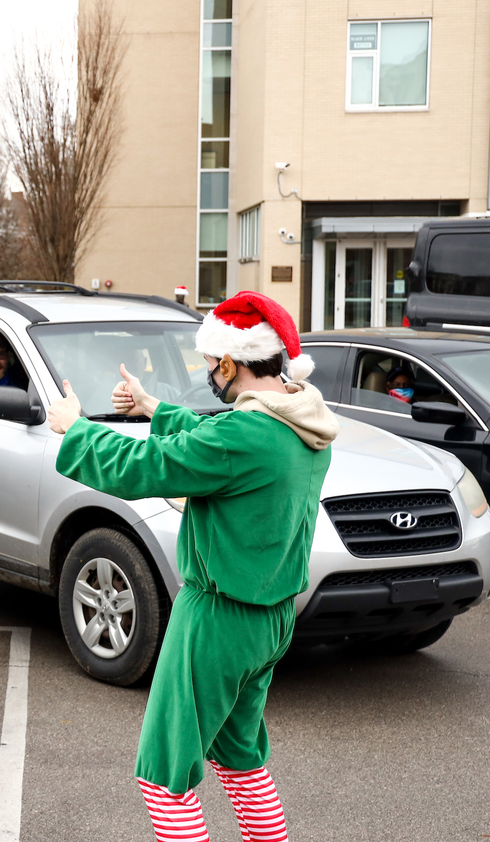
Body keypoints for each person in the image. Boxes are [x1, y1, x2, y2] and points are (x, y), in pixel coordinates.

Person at [46, 291, 340, 842]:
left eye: (209, 365)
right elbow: (218, 445)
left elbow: (148, 465)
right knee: (239, 759)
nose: (208, 376)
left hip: (218, 618)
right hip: (270, 617)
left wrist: (77, 428)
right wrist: (154, 408)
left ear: (230, 363)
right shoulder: (302, 420)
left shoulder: (243, 436)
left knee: (164, 775)